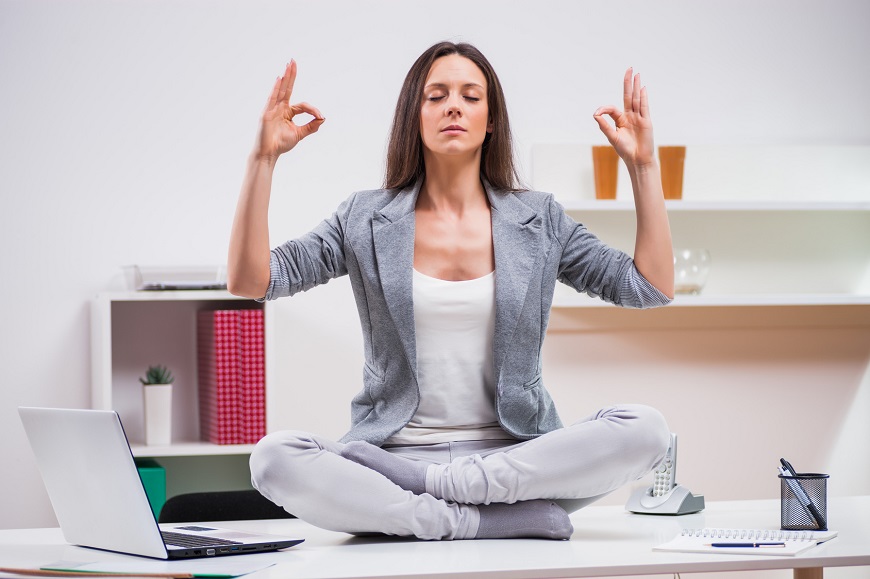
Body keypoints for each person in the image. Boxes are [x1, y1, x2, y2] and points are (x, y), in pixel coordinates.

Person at [228, 41, 675, 541]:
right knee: (273, 458)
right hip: (392, 462)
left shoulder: (539, 219)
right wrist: (263, 157)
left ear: (490, 120)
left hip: (516, 462)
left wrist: (643, 166)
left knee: (647, 429)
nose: (453, 106)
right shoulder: (364, 218)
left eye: (470, 95)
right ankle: (467, 522)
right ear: (413, 117)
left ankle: (441, 494)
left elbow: (648, 287)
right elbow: (254, 280)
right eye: (436, 96)